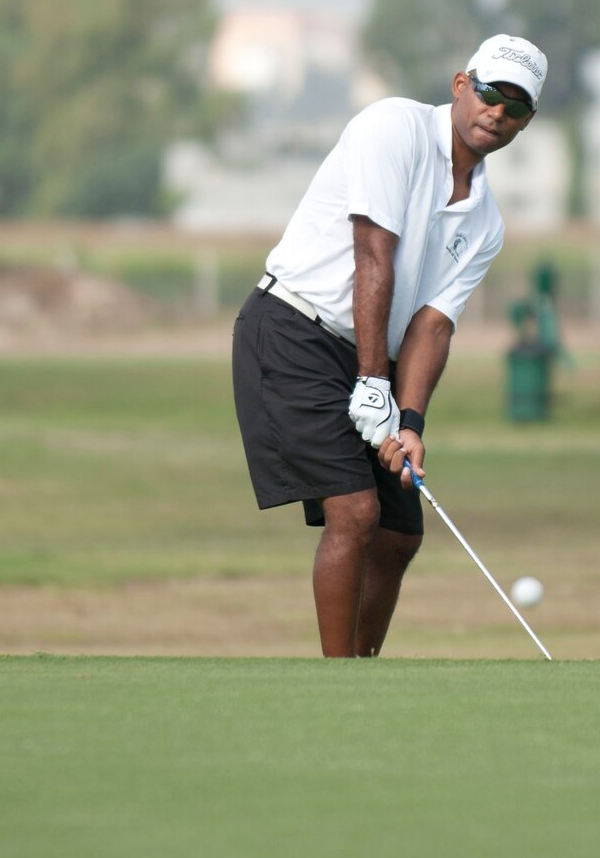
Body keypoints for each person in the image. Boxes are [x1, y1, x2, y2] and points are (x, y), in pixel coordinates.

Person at [232, 34, 549, 657]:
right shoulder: (392, 127)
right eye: (490, 94)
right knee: (354, 511)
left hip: (367, 352)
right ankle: (338, 683)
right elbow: (373, 256)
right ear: (461, 85)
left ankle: (365, 675)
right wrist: (373, 383)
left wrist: (408, 421)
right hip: (293, 329)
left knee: (400, 533)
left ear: (526, 122)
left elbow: (432, 326)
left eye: (516, 108)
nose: (498, 114)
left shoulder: (486, 222)